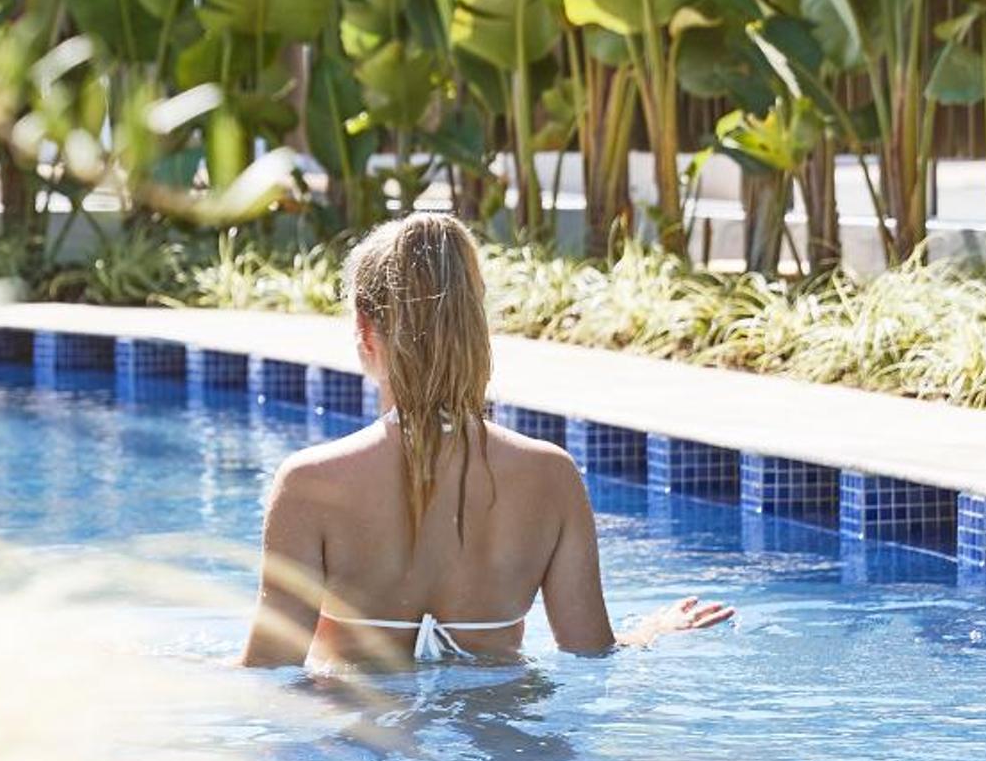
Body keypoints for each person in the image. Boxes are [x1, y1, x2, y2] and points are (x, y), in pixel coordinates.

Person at [240, 215, 733, 670]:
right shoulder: (551, 476)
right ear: (477, 327)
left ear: (366, 332)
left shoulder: (311, 483)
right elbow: (591, 651)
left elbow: (268, 671)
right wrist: (652, 633)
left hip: (360, 731)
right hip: (505, 726)